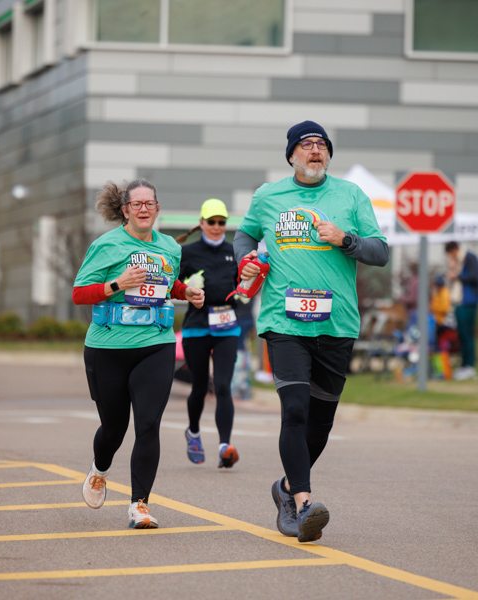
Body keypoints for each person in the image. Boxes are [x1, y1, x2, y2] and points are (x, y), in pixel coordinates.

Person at [234, 120, 389, 543]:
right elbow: (244, 235)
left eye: (321, 145)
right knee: (296, 411)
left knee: (320, 424)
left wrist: (345, 239)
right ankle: (302, 504)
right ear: (291, 155)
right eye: (306, 145)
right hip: (284, 323)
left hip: (336, 323)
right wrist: (245, 260)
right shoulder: (269, 196)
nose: (315, 150)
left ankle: (284, 488)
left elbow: (381, 252)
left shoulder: (351, 196)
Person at [72, 178, 205, 529]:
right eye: (137, 204)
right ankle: (100, 470)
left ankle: (139, 505)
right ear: (125, 210)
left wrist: (185, 292)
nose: (144, 209)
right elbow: (79, 294)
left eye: (150, 203)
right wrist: (117, 284)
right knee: (114, 428)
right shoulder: (106, 246)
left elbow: (167, 284)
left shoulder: (170, 249)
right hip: (108, 346)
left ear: (157, 209)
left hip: (156, 344)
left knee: (148, 424)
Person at [177, 198, 241, 469]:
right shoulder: (188, 252)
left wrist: (247, 289)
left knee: (224, 386)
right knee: (201, 386)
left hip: (227, 325)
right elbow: (173, 286)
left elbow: (244, 283)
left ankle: (225, 446)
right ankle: (193, 432)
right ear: (201, 223)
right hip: (198, 327)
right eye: (212, 222)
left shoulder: (234, 251)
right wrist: (187, 286)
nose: (216, 227)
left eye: (221, 222)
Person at [445, 241, 478, 381]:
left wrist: (457, 276)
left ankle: (470, 365)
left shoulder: (470, 258)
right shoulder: (456, 262)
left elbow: (475, 277)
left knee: (467, 334)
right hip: (459, 301)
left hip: (468, 301)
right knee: (461, 334)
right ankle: (464, 365)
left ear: (455, 250)